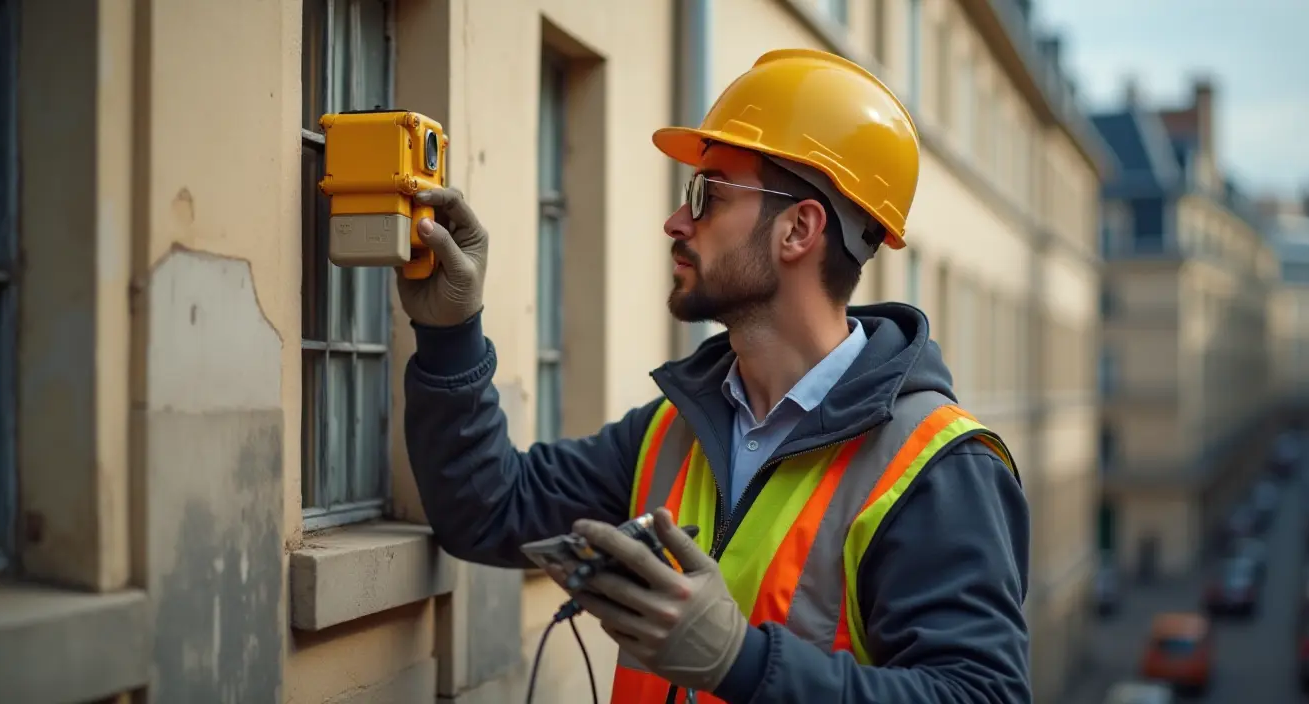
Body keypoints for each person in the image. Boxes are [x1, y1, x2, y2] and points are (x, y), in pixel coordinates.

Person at [400, 48, 1031, 703]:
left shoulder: (936, 465)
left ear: (798, 229)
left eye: (707, 195)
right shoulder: (673, 430)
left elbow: (979, 694)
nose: (675, 222)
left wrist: (743, 661)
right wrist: (451, 334)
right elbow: (488, 509)